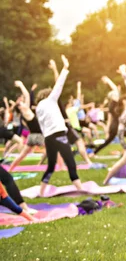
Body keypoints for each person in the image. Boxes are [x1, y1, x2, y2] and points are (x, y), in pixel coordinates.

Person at [35, 55, 83, 197]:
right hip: (58, 135)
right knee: (70, 162)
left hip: (49, 137)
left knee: (51, 166)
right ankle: (80, 189)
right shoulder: (50, 100)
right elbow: (59, 84)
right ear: (47, 95)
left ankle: (41, 192)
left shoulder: (38, 108)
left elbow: (42, 126)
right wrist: (65, 68)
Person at [8, 81, 46, 171]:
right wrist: (21, 85)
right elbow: (27, 95)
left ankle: (10, 169)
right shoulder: (25, 111)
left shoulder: (24, 112)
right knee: (53, 148)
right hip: (38, 135)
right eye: (21, 103)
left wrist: (21, 85)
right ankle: (61, 166)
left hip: (31, 136)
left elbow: (27, 96)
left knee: (22, 155)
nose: (23, 102)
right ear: (20, 107)